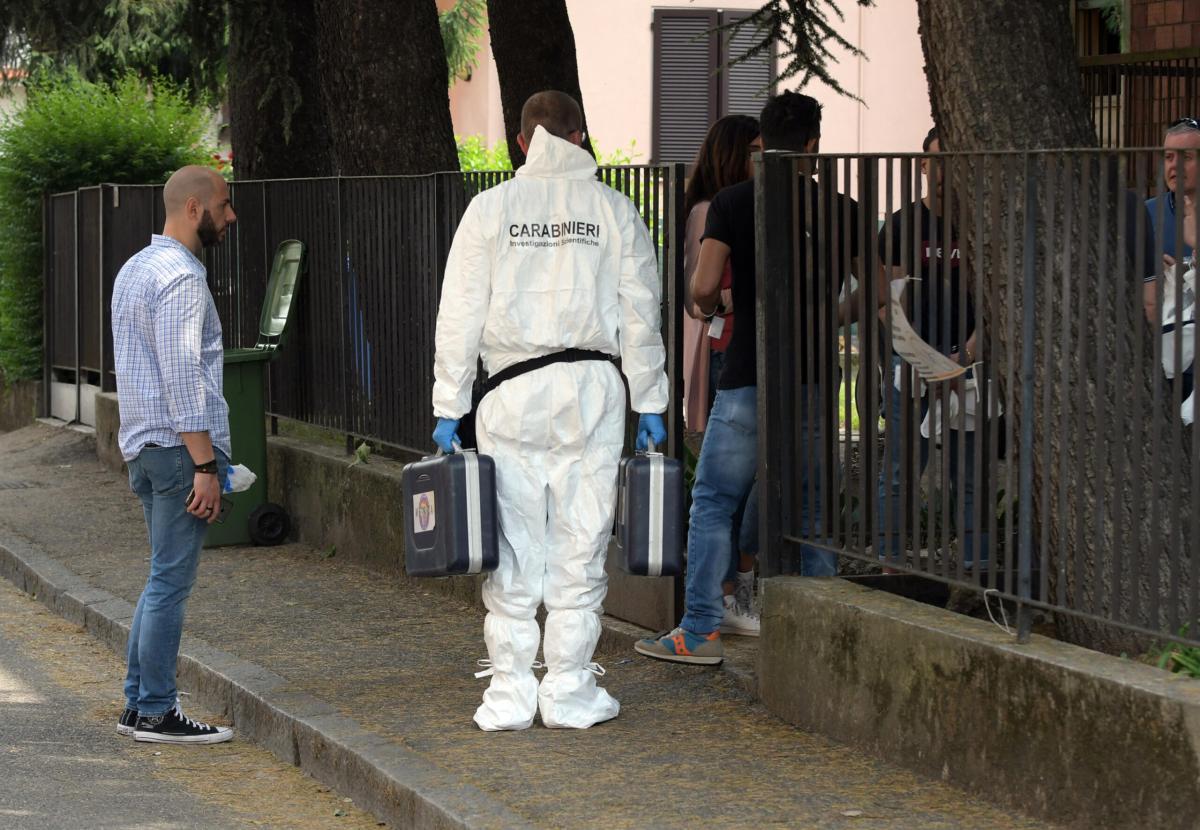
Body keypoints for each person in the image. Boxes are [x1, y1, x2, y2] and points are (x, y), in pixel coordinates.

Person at [431, 90, 668, 730]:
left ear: (519, 141)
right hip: (593, 389)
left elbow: (460, 315)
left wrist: (449, 405)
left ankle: (509, 690)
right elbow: (642, 313)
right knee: (581, 539)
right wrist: (651, 400)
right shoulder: (614, 210)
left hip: (510, 389)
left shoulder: (491, 210)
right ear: (580, 135)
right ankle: (568, 687)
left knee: (513, 542)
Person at [636, 91, 860, 666]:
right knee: (812, 511)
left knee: (712, 500)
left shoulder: (733, 201)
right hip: (813, 376)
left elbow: (703, 287)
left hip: (745, 377)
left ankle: (701, 630)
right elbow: (876, 292)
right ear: (814, 145)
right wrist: (826, 318)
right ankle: (820, 641)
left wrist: (714, 308)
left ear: (762, 140)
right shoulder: (842, 208)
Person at [111, 165, 237, 744]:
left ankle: (138, 704)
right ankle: (158, 711)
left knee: (159, 577)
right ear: (194, 209)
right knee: (169, 583)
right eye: (224, 206)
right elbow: (184, 377)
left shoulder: (134, 269)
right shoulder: (182, 279)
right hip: (178, 451)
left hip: (142, 448)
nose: (229, 217)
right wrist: (206, 466)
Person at [874, 127, 989, 571]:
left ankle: (978, 571)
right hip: (913, 362)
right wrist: (925, 359)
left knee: (970, 474)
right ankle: (889, 565)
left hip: (971, 361)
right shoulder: (902, 224)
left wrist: (966, 356)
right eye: (937, 161)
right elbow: (888, 302)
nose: (944, 172)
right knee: (900, 470)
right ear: (923, 164)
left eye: (955, 161)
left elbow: (998, 302)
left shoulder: (982, 223)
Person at [681, 115, 763, 637]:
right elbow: (698, 296)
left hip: (741, 354)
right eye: (753, 149)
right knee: (722, 491)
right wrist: (733, 297)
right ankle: (725, 596)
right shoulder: (712, 211)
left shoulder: (743, 205)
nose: (762, 157)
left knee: (743, 486)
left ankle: (733, 589)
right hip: (725, 353)